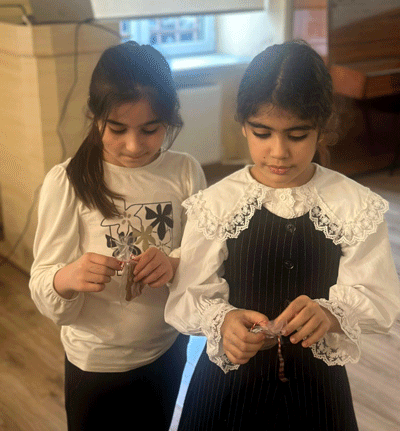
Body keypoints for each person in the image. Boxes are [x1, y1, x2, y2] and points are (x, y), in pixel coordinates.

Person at [165, 40, 400, 431]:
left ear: (321, 129)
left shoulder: (354, 205)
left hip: (317, 391)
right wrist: (223, 321)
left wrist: (331, 313)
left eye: (297, 135)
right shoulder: (216, 204)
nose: (278, 152)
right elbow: (187, 295)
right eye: (262, 133)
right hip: (226, 389)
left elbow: (380, 298)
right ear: (243, 124)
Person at [29, 41, 206, 430]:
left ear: (169, 120)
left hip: (166, 351)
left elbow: (205, 258)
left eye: (150, 130)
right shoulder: (68, 181)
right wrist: (68, 278)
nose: (133, 145)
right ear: (95, 118)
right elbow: (42, 283)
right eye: (117, 128)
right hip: (95, 364)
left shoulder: (185, 172)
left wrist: (174, 262)